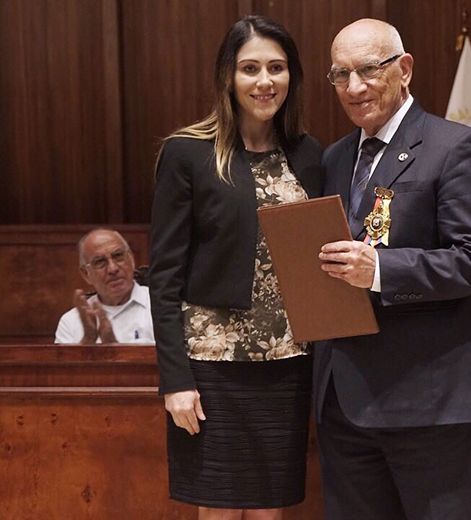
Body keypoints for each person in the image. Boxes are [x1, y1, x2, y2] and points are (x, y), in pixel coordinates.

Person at [314, 19, 471, 520]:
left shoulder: (454, 146)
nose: (354, 88)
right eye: (340, 75)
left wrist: (380, 268)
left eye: (369, 70)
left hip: (430, 399)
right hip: (345, 399)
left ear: (404, 69)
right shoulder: (333, 159)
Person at [148, 16, 322, 520]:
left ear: (292, 76)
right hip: (211, 365)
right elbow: (164, 278)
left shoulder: (308, 154)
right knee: (219, 510)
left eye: (277, 67)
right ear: (228, 76)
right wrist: (174, 381)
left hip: (288, 364)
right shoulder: (188, 153)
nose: (265, 81)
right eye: (250, 68)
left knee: (271, 510)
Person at [55, 228, 154, 344]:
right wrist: (87, 340)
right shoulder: (70, 322)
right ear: (86, 274)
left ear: (131, 260)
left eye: (118, 256)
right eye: (100, 262)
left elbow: (175, 358)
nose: (113, 269)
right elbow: (64, 362)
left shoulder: (161, 305)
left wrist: (113, 348)